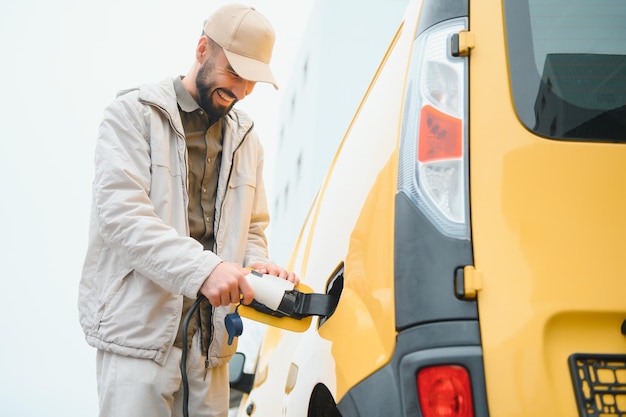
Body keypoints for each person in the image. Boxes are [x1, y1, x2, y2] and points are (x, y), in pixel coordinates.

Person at [78, 4, 298, 417]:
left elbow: (252, 229)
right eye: (235, 73)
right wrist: (205, 271)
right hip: (139, 345)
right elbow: (122, 218)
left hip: (211, 351)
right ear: (202, 50)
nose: (243, 90)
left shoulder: (248, 140)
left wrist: (258, 267)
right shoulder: (131, 116)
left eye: (252, 80)